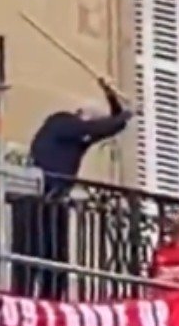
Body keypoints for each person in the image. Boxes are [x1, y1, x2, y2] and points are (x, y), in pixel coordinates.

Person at [11, 78, 131, 299]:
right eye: (94, 121)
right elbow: (102, 126)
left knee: (56, 261)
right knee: (31, 257)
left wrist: (111, 96)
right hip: (37, 200)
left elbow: (112, 126)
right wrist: (127, 114)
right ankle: (24, 298)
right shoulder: (62, 123)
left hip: (55, 201)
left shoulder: (79, 136)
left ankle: (52, 299)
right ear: (82, 115)